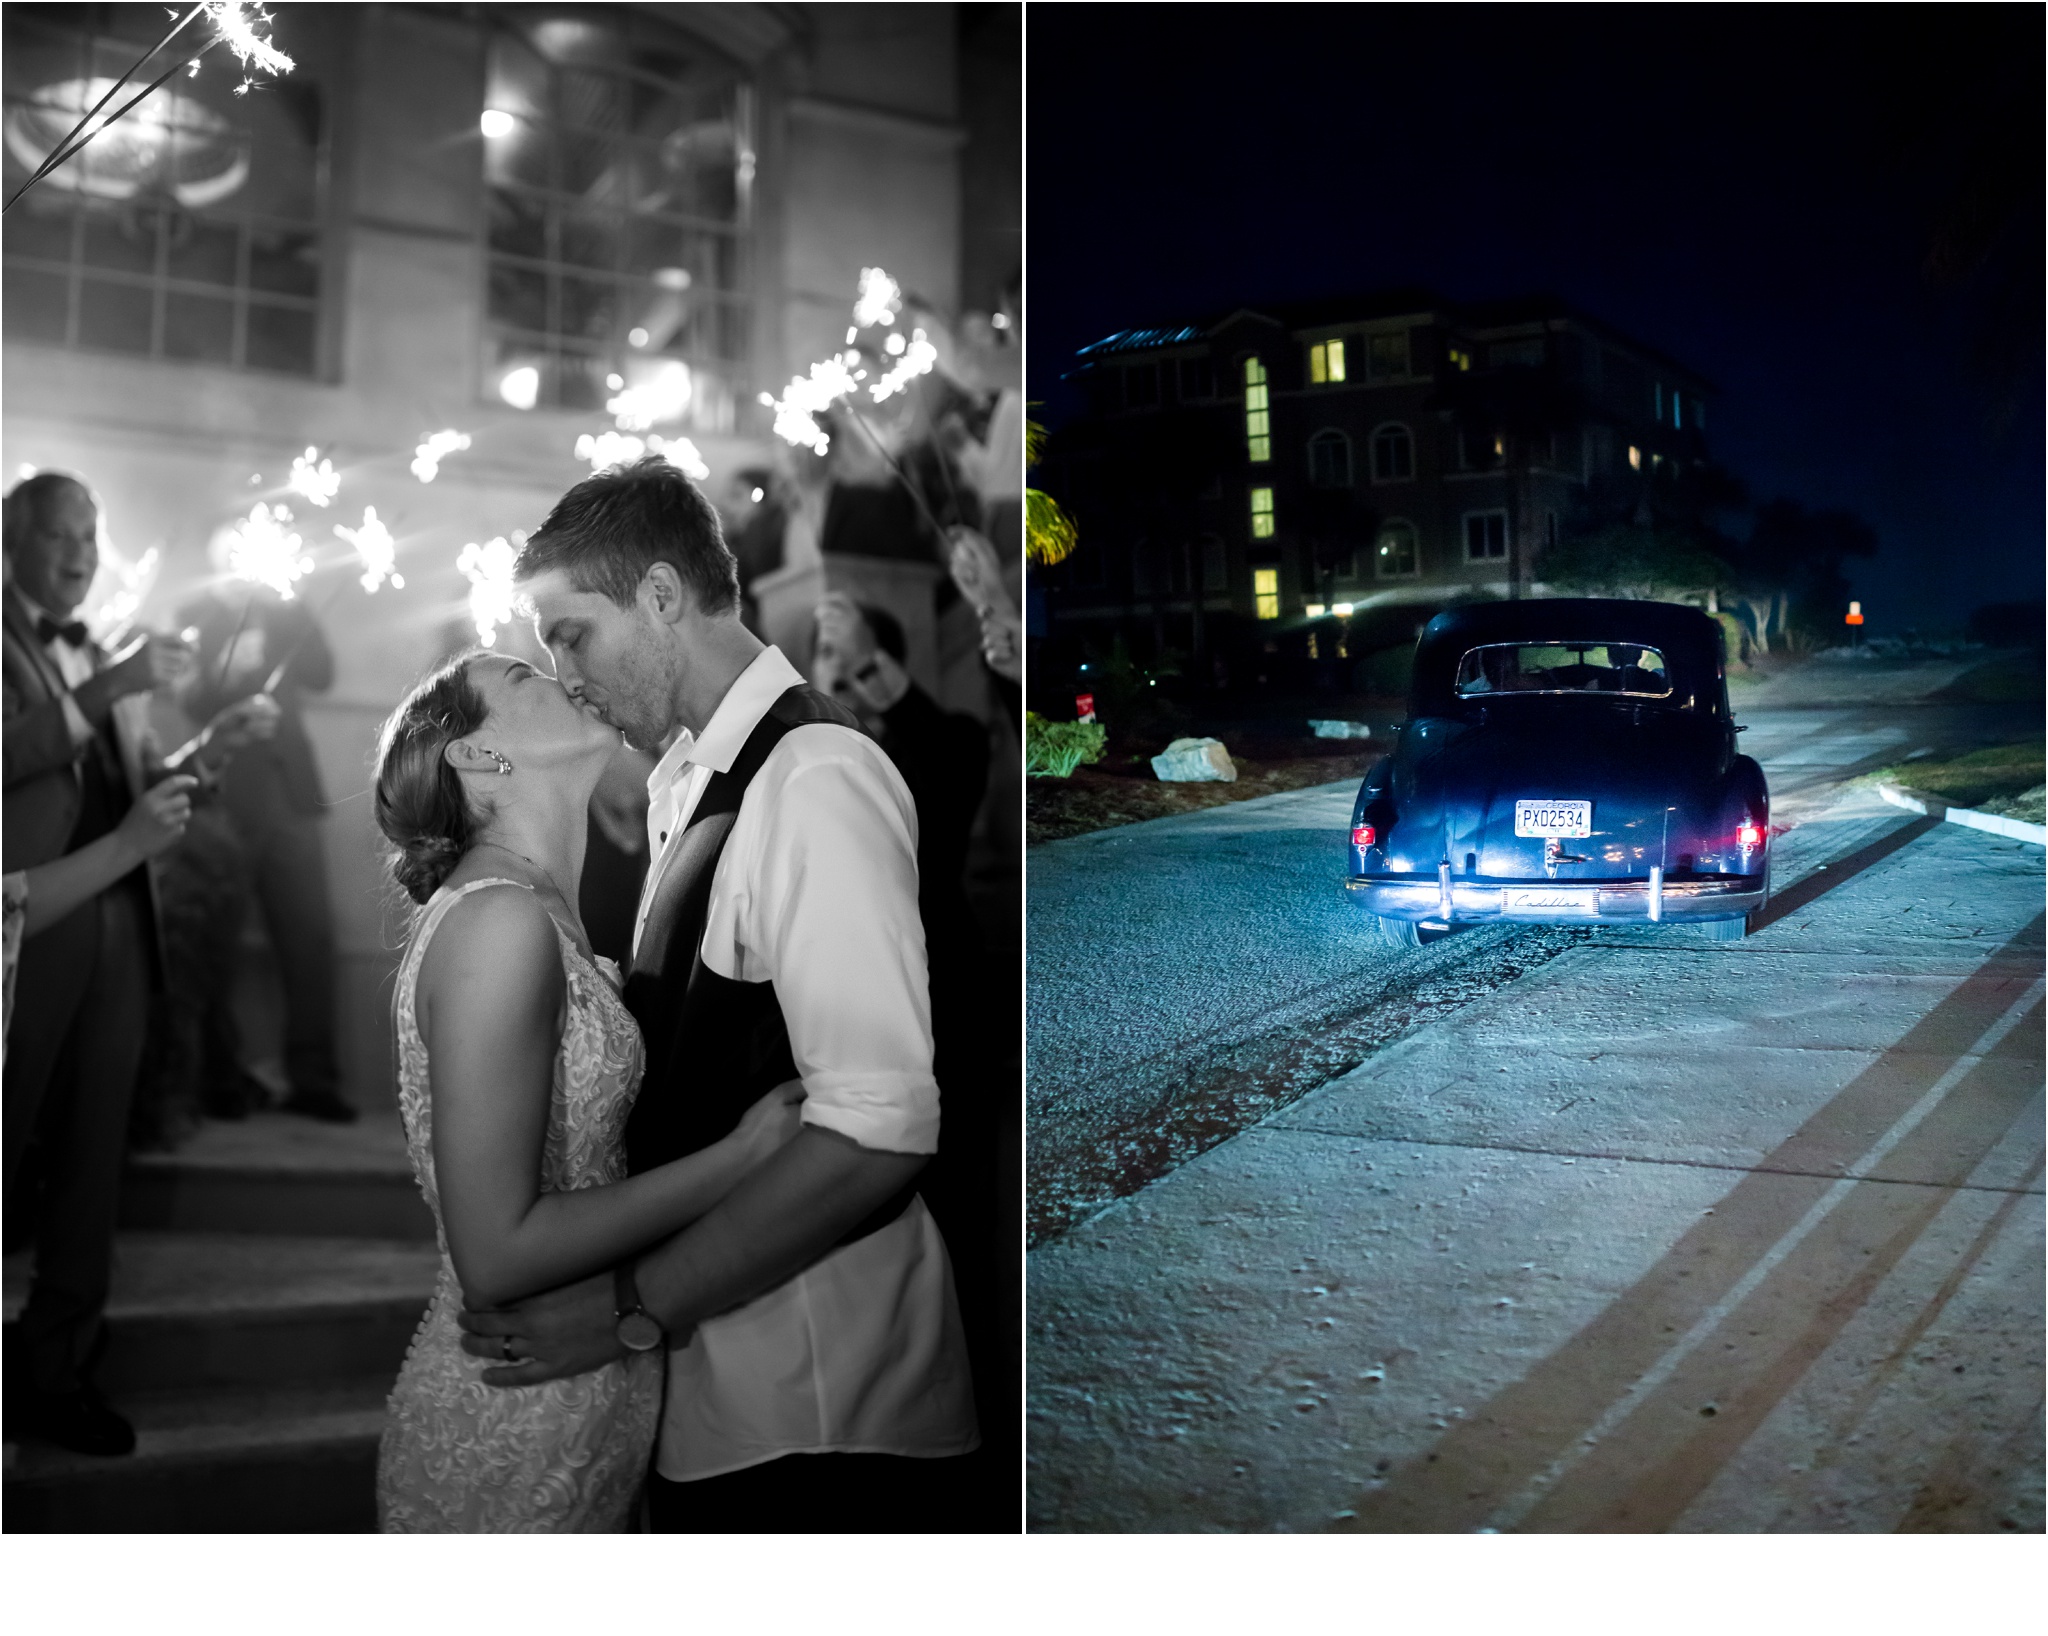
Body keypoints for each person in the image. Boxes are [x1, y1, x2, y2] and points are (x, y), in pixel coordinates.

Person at [459, 456, 981, 1532]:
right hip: (724, 1392)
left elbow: (876, 1135)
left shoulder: (813, 775)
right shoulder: (690, 778)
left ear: (659, 596)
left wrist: (626, 1314)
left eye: (570, 633)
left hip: (823, 1405)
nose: (562, 671)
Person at [369, 650, 807, 1531]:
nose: (561, 676)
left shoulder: (537, 909)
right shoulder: (499, 923)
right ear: (476, 756)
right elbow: (495, 1251)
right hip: (510, 1431)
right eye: (525, 678)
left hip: (588, 1402)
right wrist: (741, 1158)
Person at [2, 469, 275, 1457]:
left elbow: (136, 785)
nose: (81, 553)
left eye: (91, 535)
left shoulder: (100, 657)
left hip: (122, 922)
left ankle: (56, 1370)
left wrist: (208, 747)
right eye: (62, 535)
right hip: (28, 920)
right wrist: (104, 686)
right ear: (13, 538)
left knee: (89, 1163)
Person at [175, 577, 353, 1122]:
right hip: (227, 794)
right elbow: (190, 700)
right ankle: (218, 1078)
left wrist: (296, 607)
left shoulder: (285, 610)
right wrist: (224, 663)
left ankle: (313, 1079)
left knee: (310, 941)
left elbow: (322, 675)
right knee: (214, 942)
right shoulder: (198, 610)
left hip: (292, 795)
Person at [4, 775, 197, 1062]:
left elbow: (127, 773)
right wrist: (125, 846)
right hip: (39, 918)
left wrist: (202, 758)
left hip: (112, 897)